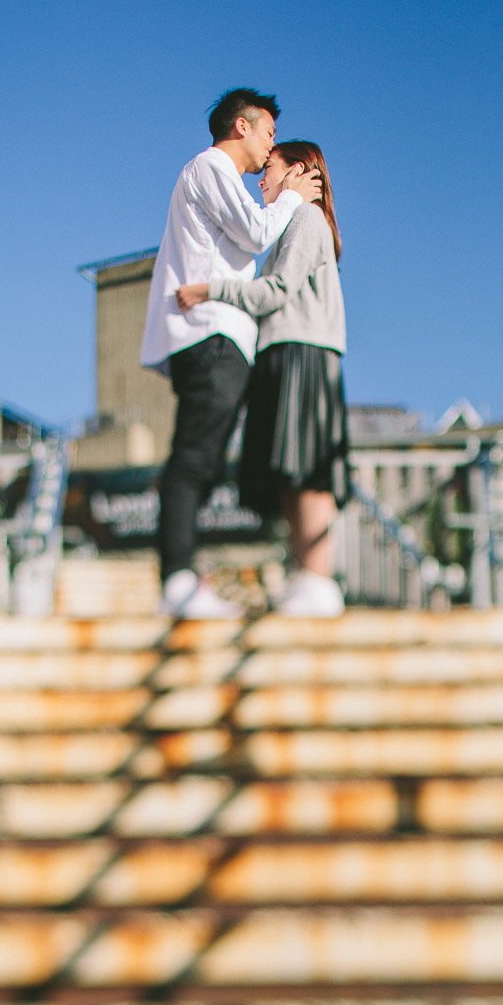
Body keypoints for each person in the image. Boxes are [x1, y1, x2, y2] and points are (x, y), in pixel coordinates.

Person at [141, 88, 321, 618]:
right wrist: (292, 193)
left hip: (222, 336)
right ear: (241, 127)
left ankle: (182, 578)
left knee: (208, 459)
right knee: (195, 457)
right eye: (268, 131)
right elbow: (257, 231)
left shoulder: (222, 181)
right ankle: (176, 580)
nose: (272, 147)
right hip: (207, 333)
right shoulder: (209, 167)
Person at [175, 140, 347, 617]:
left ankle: (318, 579)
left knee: (308, 470)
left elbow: (276, 291)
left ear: (298, 171)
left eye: (268, 168)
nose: (260, 179)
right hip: (286, 351)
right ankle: (308, 577)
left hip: (303, 352)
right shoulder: (296, 223)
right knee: (291, 470)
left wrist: (211, 289)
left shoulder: (307, 220)